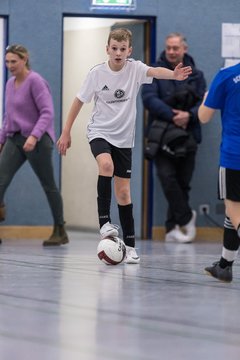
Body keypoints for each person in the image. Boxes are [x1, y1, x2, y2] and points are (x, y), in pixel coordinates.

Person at [57, 28, 192, 263]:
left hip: (124, 139)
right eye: (114, 48)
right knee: (106, 165)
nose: (118, 53)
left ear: (129, 51)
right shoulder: (96, 74)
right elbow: (79, 101)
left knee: (123, 192)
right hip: (99, 132)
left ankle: (130, 247)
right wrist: (66, 131)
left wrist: (173, 75)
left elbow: (155, 71)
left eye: (122, 49)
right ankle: (104, 223)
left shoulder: (135, 69)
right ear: (107, 49)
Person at [0, 44, 68, 246]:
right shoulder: (10, 84)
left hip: (38, 141)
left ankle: (60, 230)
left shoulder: (36, 81)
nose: (10, 65)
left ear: (24, 60)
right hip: (15, 138)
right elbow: (8, 116)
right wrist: (1, 138)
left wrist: (34, 136)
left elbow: (47, 112)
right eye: (7, 61)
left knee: (48, 185)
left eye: (14, 61)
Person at [142, 32, 206, 243]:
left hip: (188, 134)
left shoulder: (196, 74)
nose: (171, 51)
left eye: (175, 48)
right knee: (167, 178)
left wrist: (189, 115)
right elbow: (149, 99)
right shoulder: (155, 71)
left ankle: (172, 229)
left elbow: (205, 103)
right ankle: (187, 217)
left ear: (184, 49)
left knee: (183, 183)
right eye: (168, 47)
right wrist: (173, 116)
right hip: (161, 136)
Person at [198, 62, 240, 282]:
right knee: (232, 215)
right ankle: (225, 265)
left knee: (233, 208)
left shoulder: (226, 75)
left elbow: (204, 117)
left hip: (234, 154)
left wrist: (206, 98)